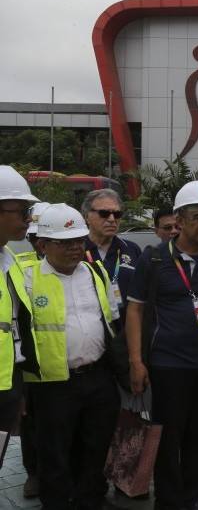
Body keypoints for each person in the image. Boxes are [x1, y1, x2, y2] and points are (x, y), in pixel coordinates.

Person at [126, 180, 198, 510]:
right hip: (167, 365)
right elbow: (136, 308)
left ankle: (191, 497)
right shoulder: (155, 259)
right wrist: (136, 361)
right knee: (168, 437)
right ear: (180, 219)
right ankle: (170, 501)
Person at [22, 203, 121, 510]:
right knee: (54, 452)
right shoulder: (27, 279)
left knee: (96, 446)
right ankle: (56, 503)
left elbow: (111, 320)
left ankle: (91, 499)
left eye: (78, 240)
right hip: (52, 384)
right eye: (64, 242)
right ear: (43, 245)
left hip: (98, 377)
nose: (75, 248)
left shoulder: (95, 272)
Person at [0, 165, 39, 469]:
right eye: (23, 211)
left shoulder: (10, 259)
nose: (30, 219)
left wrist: (18, 388)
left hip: (8, 382)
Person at [82, 189, 142, 332]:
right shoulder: (76, 251)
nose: (111, 219)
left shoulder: (132, 250)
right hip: (89, 336)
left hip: (125, 334)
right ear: (87, 217)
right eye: (104, 213)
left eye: (117, 214)